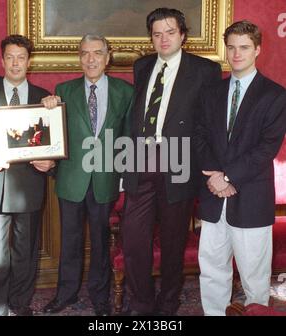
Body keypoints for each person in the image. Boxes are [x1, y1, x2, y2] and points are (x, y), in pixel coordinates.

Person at [121, 7, 221, 316]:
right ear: (151, 37)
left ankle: (167, 303)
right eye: (157, 33)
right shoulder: (142, 66)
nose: (163, 39)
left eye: (170, 32)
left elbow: (209, 122)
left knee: (173, 242)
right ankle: (141, 303)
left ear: (183, 35)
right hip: (141, 160)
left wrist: (207, 166)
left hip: (179, 163)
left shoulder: (205, 70)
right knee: (134, 239)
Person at [194, 20, 286, 316]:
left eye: (244, 47)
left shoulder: (275, 95)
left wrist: (228, 176)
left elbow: (265, 149)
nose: (236, 54)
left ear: (257, 49)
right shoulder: (211, 93)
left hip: (250, 196)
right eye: (231, 47)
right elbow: (199, 137)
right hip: (213, 196)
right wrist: (216, 178)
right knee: (211, 270)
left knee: (255, 278)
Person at [41, 34, 133, 316]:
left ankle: (100, 298)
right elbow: (54, 134)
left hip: (105, 181)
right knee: (69, 242)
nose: (90, 59)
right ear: (79, 58)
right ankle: (65, 295)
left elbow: (126, 138)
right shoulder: (62, 91)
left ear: (107, 57)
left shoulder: (125, 91)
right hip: (71, 180)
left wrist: (123, 179)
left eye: (97, 53)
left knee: (102, 243)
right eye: (85, 53)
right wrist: (47, 110)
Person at [0, 34, 55, 316]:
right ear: (2, 60)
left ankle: (20, 304)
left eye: (21, 57)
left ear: (29, 62)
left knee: (26, 253)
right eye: (10, 57)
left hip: (29, 188)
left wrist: (50, 163)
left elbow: (54, 143)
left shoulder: (44, 99)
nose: (15, 63)